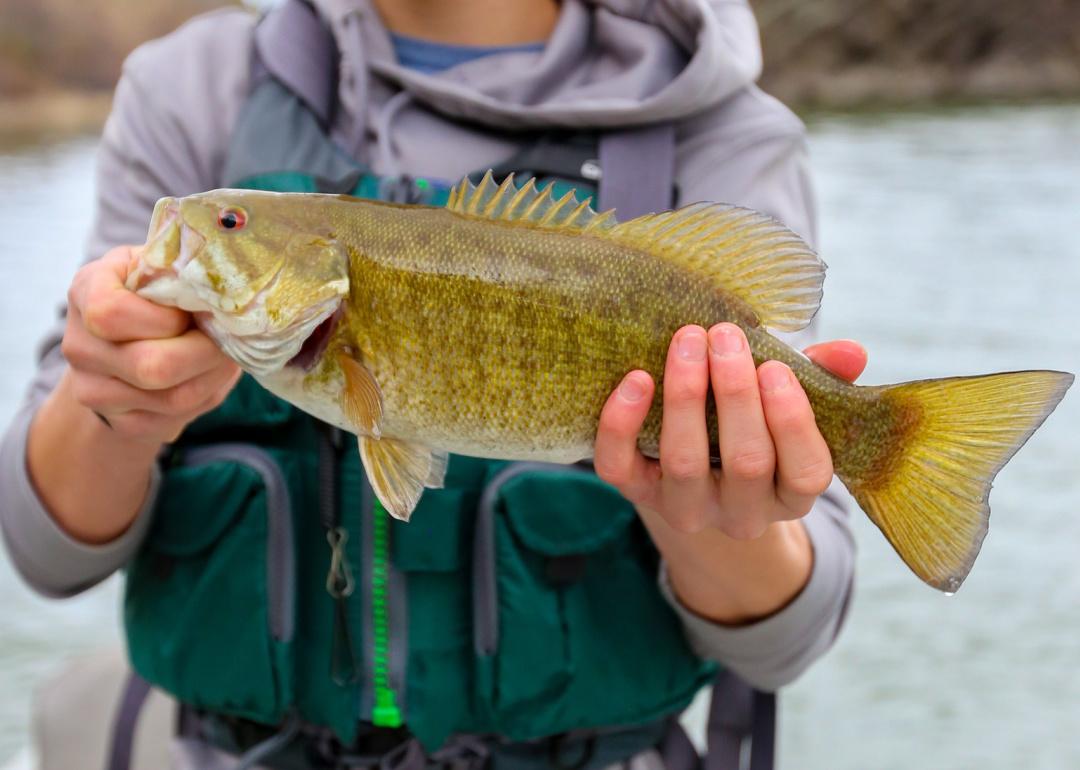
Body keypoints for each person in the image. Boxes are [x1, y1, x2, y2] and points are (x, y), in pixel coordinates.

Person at [0, 0, 861, 767]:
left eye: (230, 223)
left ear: (323, 278)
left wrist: (712, 502)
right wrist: (111, 397)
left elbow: (786, 638)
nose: (202, 232)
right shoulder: (191, 86)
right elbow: (44, 552)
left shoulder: (723, 129)